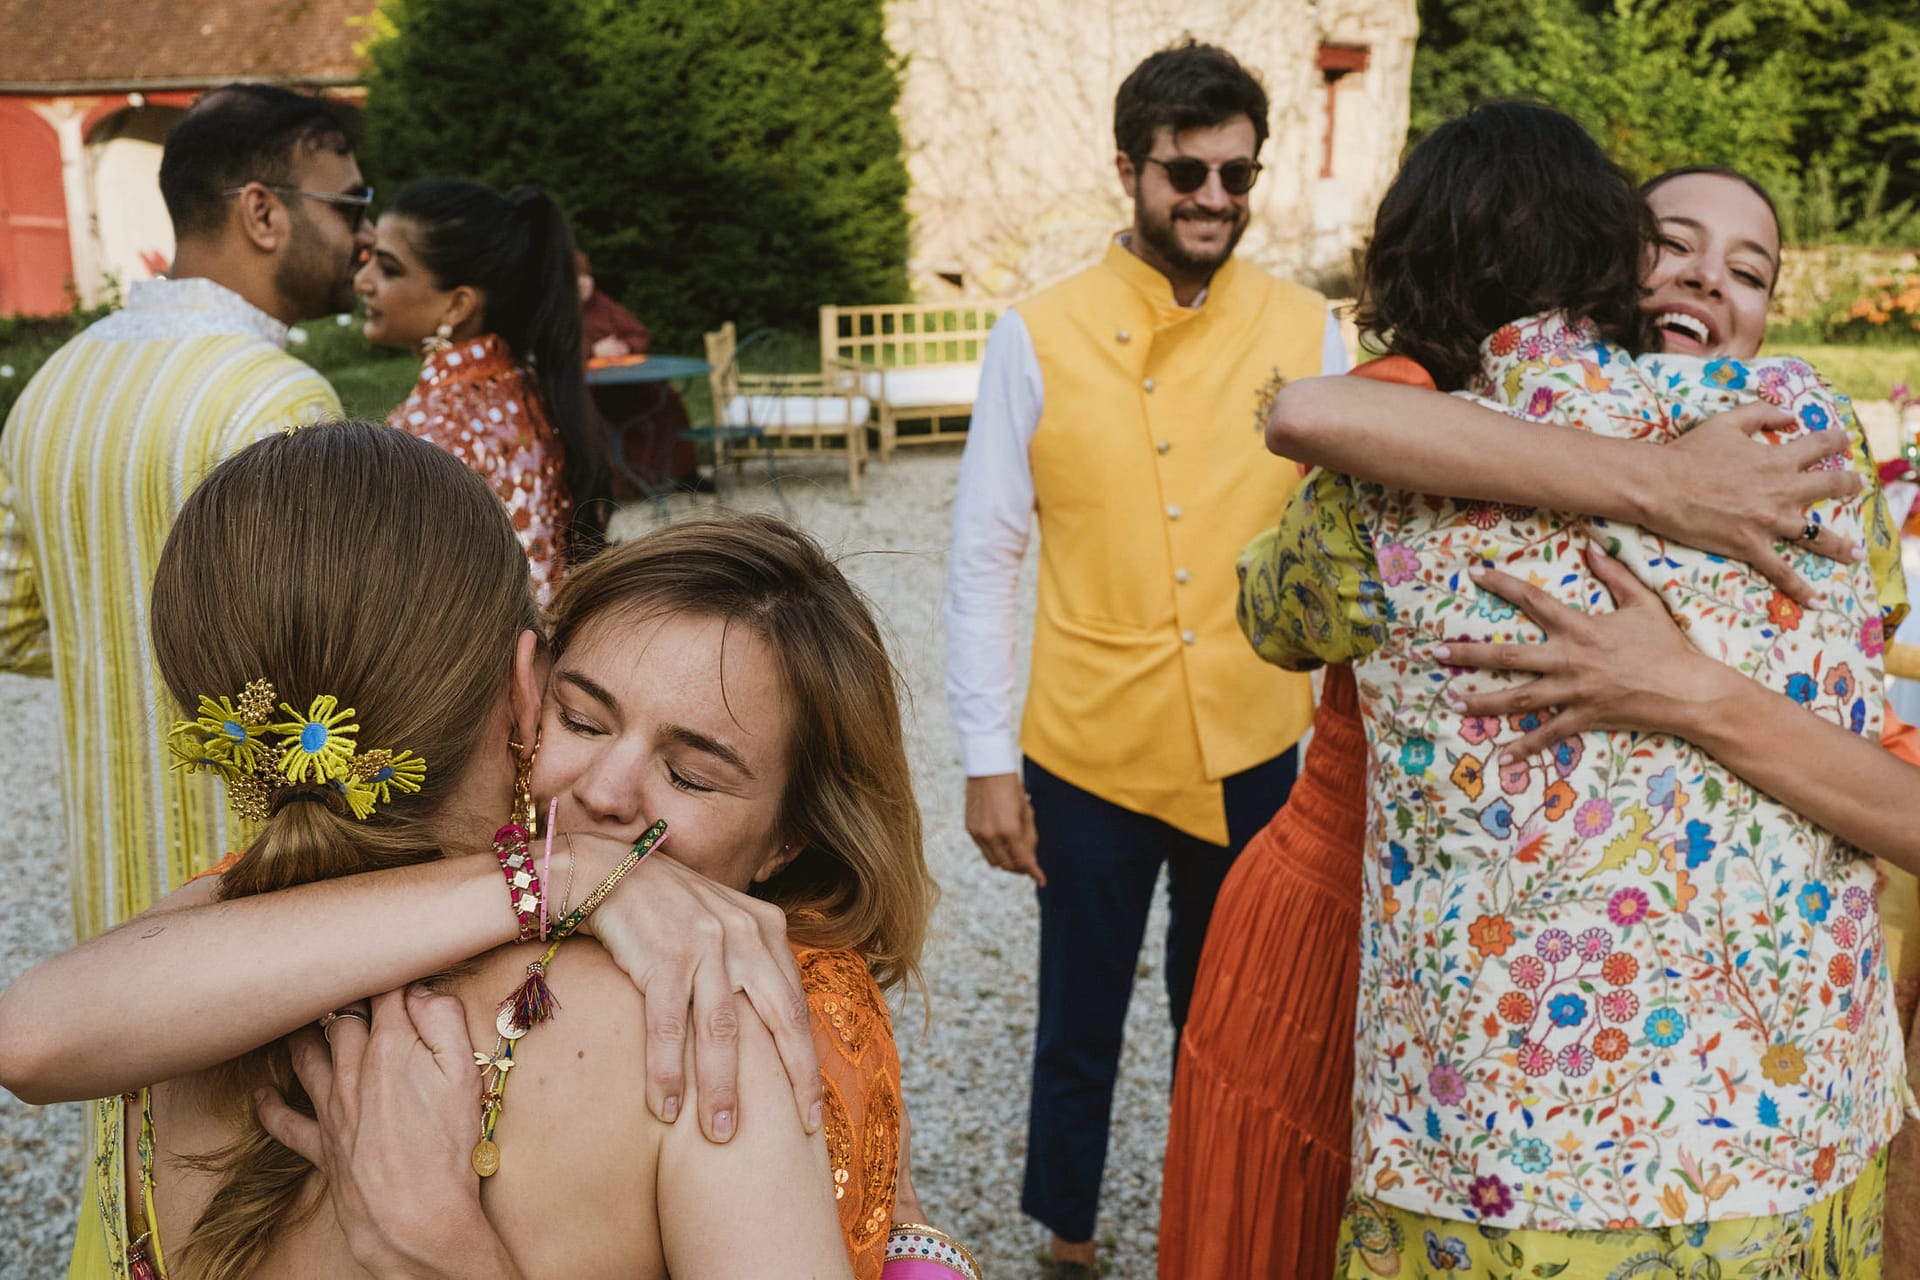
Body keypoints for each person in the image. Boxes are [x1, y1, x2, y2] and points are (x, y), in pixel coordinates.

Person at [1160, 150, 1918, 1277]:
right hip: (1713, 1129)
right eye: (1674, 246)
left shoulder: (1810, 470)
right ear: (1604, 266)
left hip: (1508, 1129)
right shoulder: (1827, 456)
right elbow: (1317, 419)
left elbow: (1275, 605)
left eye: (1748, 268)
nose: (1710, 279)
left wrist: (1683, 683)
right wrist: (1656, 482)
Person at [6, 422, 932, 1278]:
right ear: (529, 688)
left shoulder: (196, 970)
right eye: (581, 717)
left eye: (693, 775)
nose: (607, 793)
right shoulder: (703, 1046)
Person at [942, 38, 1346, 1273]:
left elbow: (1343, 543)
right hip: (1088, 744)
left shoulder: (1310, 328)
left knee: (1233, 1028)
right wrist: (983, 760)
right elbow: (984, 552)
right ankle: (1067, 1237)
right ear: (1129, 168)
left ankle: (1215, 1233)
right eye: (1187, 173)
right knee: (1079, 1020)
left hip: (1257, 738)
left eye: (1238, 174)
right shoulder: (1037, 332)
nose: (1214, 200)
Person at [0, 83, 371, 941]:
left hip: (115, 894)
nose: (364, 235)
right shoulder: (282, 399)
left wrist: (121, 649)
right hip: (255, 883)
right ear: (263, 213)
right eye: (350, 204)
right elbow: (336, 662)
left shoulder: (55, 383)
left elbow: (13, 625)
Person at [358, 179, 611, 604]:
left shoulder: (427, 427)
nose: (363, 280)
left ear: (458, 306)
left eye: (388, 268)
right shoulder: (523, 385)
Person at [577, 250, 700, 496]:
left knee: (667, 399)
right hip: (589, 391)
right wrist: (593, 350)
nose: (583, 283)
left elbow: (640, 333)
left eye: (586, 276)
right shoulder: (559, 312)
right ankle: (617, 484)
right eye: (576, 277)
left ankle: (685, 475)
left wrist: (625, 347)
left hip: (627, 384)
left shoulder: (603, 305)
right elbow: (555, 349)